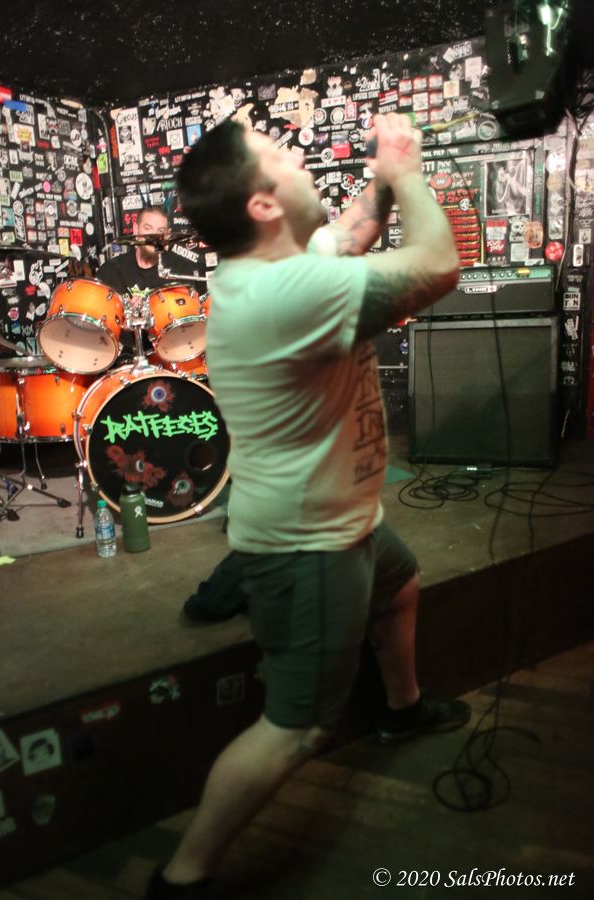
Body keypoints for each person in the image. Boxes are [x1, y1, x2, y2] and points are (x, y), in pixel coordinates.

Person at [146, 113, 467, 900]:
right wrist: (406, 170)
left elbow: (354, 229)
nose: (298, 155)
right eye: (281, 155)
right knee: (296, 728)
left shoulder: (285, 260)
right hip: (306, 545)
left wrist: (381, 184)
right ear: (262, 204)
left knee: (401, 584)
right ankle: (182, 878)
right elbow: (438, 266)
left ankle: (400, 708)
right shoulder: (285, 292)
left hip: (346, 518)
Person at [96, 205, 197, 361]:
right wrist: (124, 316)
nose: (153, 237)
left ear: (167, 235)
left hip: (169, 356)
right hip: (120, 359)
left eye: (160, 231)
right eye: (148, 228)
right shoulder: (110, 271)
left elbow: (189, 325)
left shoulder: (180, 270)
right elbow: (99, 326)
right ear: (136, 229)